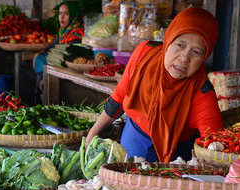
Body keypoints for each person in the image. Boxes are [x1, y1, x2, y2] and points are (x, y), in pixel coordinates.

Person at [85, 7, 222, 163]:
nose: (184, 59)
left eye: (196, 52)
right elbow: (118, 98)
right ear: (168, 39)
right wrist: (91, 136)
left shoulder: (203, 93)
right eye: (180, 45)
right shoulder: (144, 55)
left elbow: (215, 149)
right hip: (132, 141)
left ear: (205, 57)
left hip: (174, 162)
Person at [33, 1, 84, 102]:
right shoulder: (63, 31)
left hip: (68, 64)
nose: (62, 17)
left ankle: (42, 89)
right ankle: (41, 90)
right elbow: (51, 47)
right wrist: (40, 52)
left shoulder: (77, 34)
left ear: (73, 15)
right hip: (58, 62)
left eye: (66, 13)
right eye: (60, 13)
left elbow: (67, 54)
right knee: (39, 58)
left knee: (42, 61)